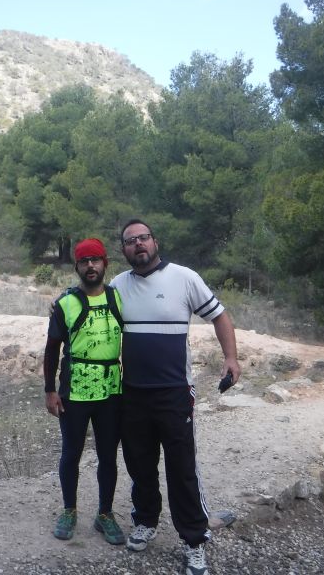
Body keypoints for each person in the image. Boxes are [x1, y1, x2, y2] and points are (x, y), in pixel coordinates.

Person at [110, 219, 241, 575]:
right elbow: (92, 312)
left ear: (155, 242)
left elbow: (219, 316)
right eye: (131, 241)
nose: (138, 244)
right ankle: (146, 521)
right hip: (132, 393)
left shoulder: (184, 278)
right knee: (139, 464)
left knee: (182, 468)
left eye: (143, 238)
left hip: (174, 393)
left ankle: (194, 540)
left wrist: (231, 358)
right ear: (123, 250)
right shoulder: (118, 286)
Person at [43, 238, 126, 545]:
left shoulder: (118, 298)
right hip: (75, 391)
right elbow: (52, 349)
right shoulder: (66, 304)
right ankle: (69, 510)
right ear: (77, 267)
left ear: (105, 263)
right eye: (84, 261)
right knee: (71, 452)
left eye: (95, 260)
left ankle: (105, 513)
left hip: (111, 390)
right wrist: (50, 390)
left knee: (108, 455)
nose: (90, 266)